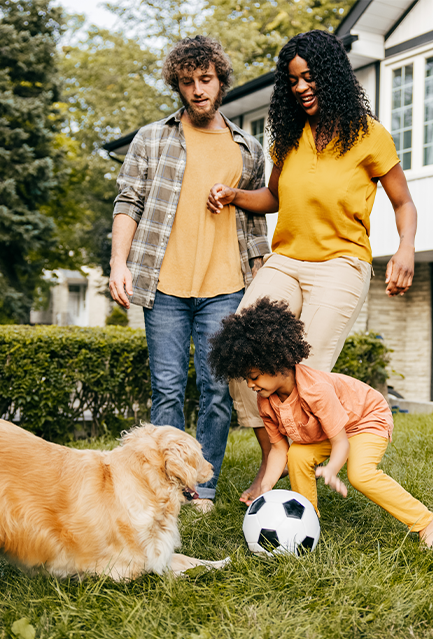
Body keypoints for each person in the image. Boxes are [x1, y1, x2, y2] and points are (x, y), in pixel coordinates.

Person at [207, 29, 417, 504]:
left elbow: (403, 202)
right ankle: (273, 455)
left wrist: (404, 248)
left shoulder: (368, 135)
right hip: (286, 258)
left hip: (341, 263)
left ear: (331, 76)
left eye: (309, 77)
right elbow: (274, 198)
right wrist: (236, 194)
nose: (301, 87)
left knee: (304, 373)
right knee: (240, 352)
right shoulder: (290, 135)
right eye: (293, 80)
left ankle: (304, 467)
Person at [109, 36, 270, 512]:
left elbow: (259, 216)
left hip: (225, 287)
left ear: (221, 81)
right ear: (177, 86)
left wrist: (260, 282)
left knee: (218, 391)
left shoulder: (248, 149)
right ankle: (165, 487)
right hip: (164, 286)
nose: (198, 90)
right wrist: (119, 263)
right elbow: (128, 203)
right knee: (167, 392)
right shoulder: (152, 139)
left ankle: (203, 488)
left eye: (206, 80)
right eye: (187, 82)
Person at [208, 297, 433, 546]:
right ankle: (307, 521)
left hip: (365, 419)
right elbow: (279, 449)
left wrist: (332, 469)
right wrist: (266, 485)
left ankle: (425, 521)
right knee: (297, 456)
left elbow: (341, 442)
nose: (250, 384)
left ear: (274, 362)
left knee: (359, 475)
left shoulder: (315, 390)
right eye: (246, 378)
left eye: (254, 376)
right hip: (329, 430)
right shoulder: (266, 401)